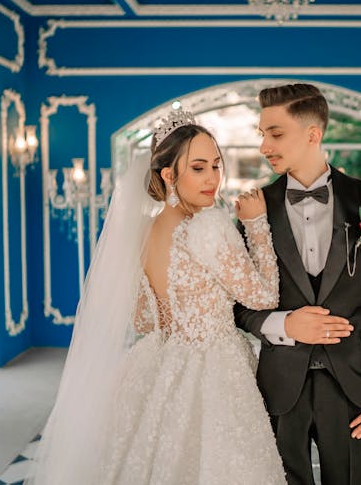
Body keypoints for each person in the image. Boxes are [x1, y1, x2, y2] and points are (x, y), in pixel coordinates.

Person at [28, 109, 286, 484]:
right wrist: (256, 224)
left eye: (216, 166)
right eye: (198, 168)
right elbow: (263, 296)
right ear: (168, 174)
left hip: (156, 363)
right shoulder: (209, 226)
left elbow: (143, 320)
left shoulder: (143, 232)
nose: (213, 178)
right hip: (215, 368)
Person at [234, 83, 361, 484]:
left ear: (313, 134)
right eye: (262, 134)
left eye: (276, 133)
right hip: (281, 385)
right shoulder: (254, 210)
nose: (265, 145)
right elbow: (236, 305)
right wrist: (283, 324)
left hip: (357, 384)